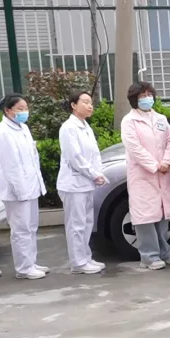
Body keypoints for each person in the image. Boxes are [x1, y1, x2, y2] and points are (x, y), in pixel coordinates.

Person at [120, 82, 170, 270]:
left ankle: (165, 251)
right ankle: (149, 256)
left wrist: (167, 161)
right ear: (134, 99)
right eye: (142, 96)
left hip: (163, 172)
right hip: (143, 174)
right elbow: (134, 148)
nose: (147, 98)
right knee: (145, 217)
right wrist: (155, 166)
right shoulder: (129, 121)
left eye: (149, 94)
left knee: (162, 214)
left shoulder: (161, 119)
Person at [0, 94, 49, 280]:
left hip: (31, 185)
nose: (24, 112)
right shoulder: (2, 132)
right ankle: (24, 268)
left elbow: (32, 158)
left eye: (25, 108)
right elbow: (11, 166)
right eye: (20, 109)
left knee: (31, 227)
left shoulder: (23, 128)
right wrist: (21, 190)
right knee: (20, 229)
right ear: (8, 110)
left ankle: (31, 262)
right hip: (16, 191)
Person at [58, 91, 108, 275]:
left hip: (86, 183)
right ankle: (78, 263)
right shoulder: (68, 128)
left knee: (86, 222)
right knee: (76, 224)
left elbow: (94, 154)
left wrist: (97, 173)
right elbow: (75, 158)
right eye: (85, 102)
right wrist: (94, 174)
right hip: (73, 184)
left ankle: (86, 257)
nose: (90, 106)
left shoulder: (85, 126)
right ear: (73, 105)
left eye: (91, 103)